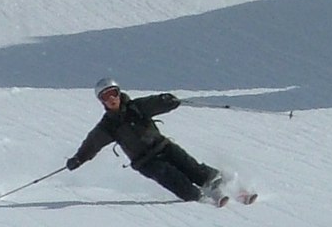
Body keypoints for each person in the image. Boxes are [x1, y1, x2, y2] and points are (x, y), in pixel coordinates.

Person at [66, 78, 226, 204]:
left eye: (113, 93)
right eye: (105, 97)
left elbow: (154, 103)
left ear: (119, 93)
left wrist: (166, 100)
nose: (111, 99)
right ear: (101, 101)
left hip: (163, 147)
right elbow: (92, 144)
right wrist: (78, 159)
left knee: (191, 167)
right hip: (145, 162)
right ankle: (199, 199)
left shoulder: (136, 107)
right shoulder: (108, 126)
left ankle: (222, 184)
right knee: (174, 179)